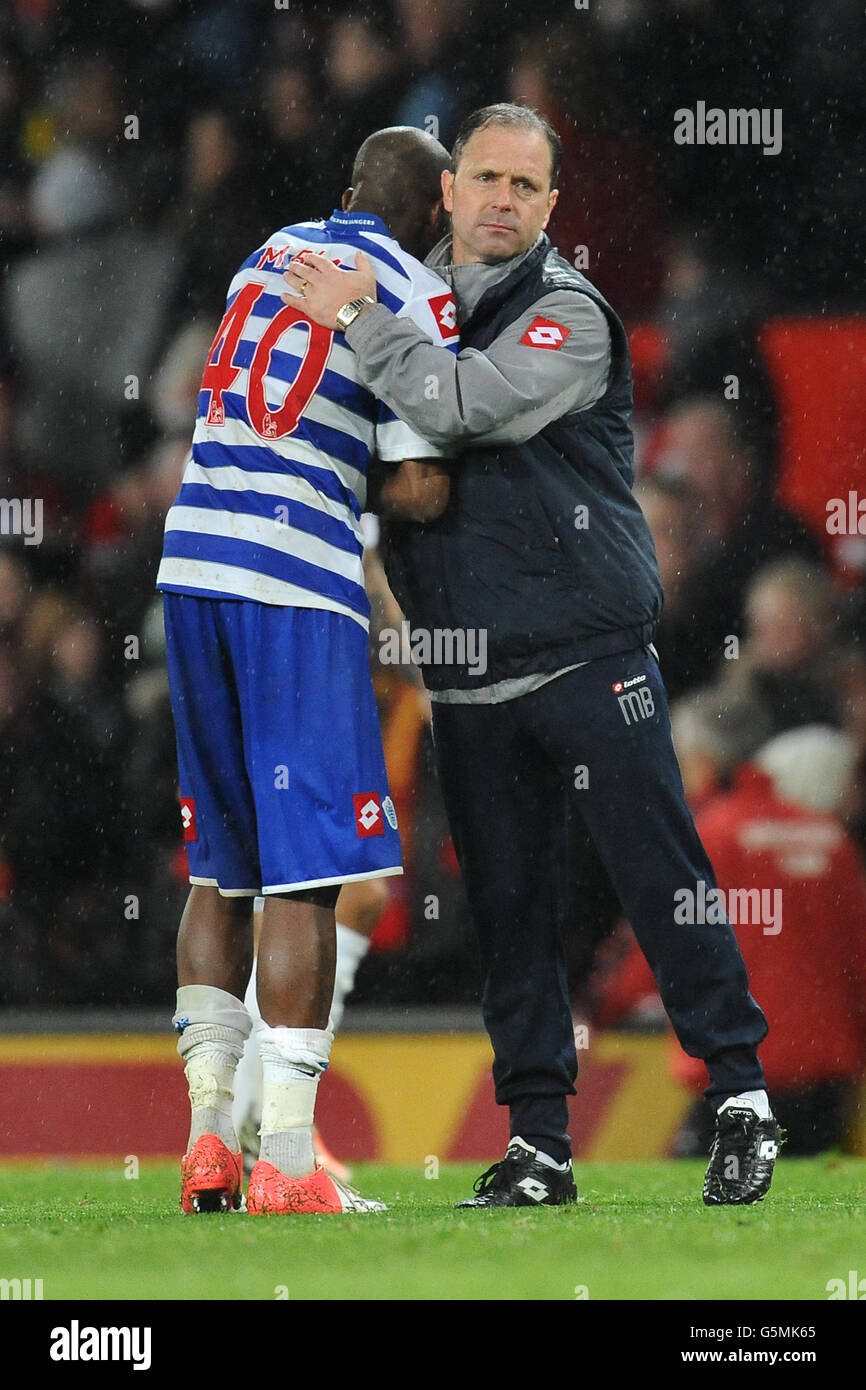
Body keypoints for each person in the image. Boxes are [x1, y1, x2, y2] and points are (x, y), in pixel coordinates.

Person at [287, 102, 782, 1208]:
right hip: (467, 673)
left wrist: (358, 315)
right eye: (485, 179)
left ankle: (741, 1097)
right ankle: (537, 1146)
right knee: (507, 915)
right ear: (447, 190)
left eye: (525, 185)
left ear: (552, 205)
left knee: (662, 880)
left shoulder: (568, 312)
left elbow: (460, 406)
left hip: (583, 656)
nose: (502, 201)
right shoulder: (408, 300)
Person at [155, 127, 459, 1216]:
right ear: (431, 208)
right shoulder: (416, 291)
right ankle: (284, 1158)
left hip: (190, 560)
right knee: (306, 875)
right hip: (294, 577)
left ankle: (204, 1141)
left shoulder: (267, 250)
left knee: (217, 866)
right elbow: (419, 480)